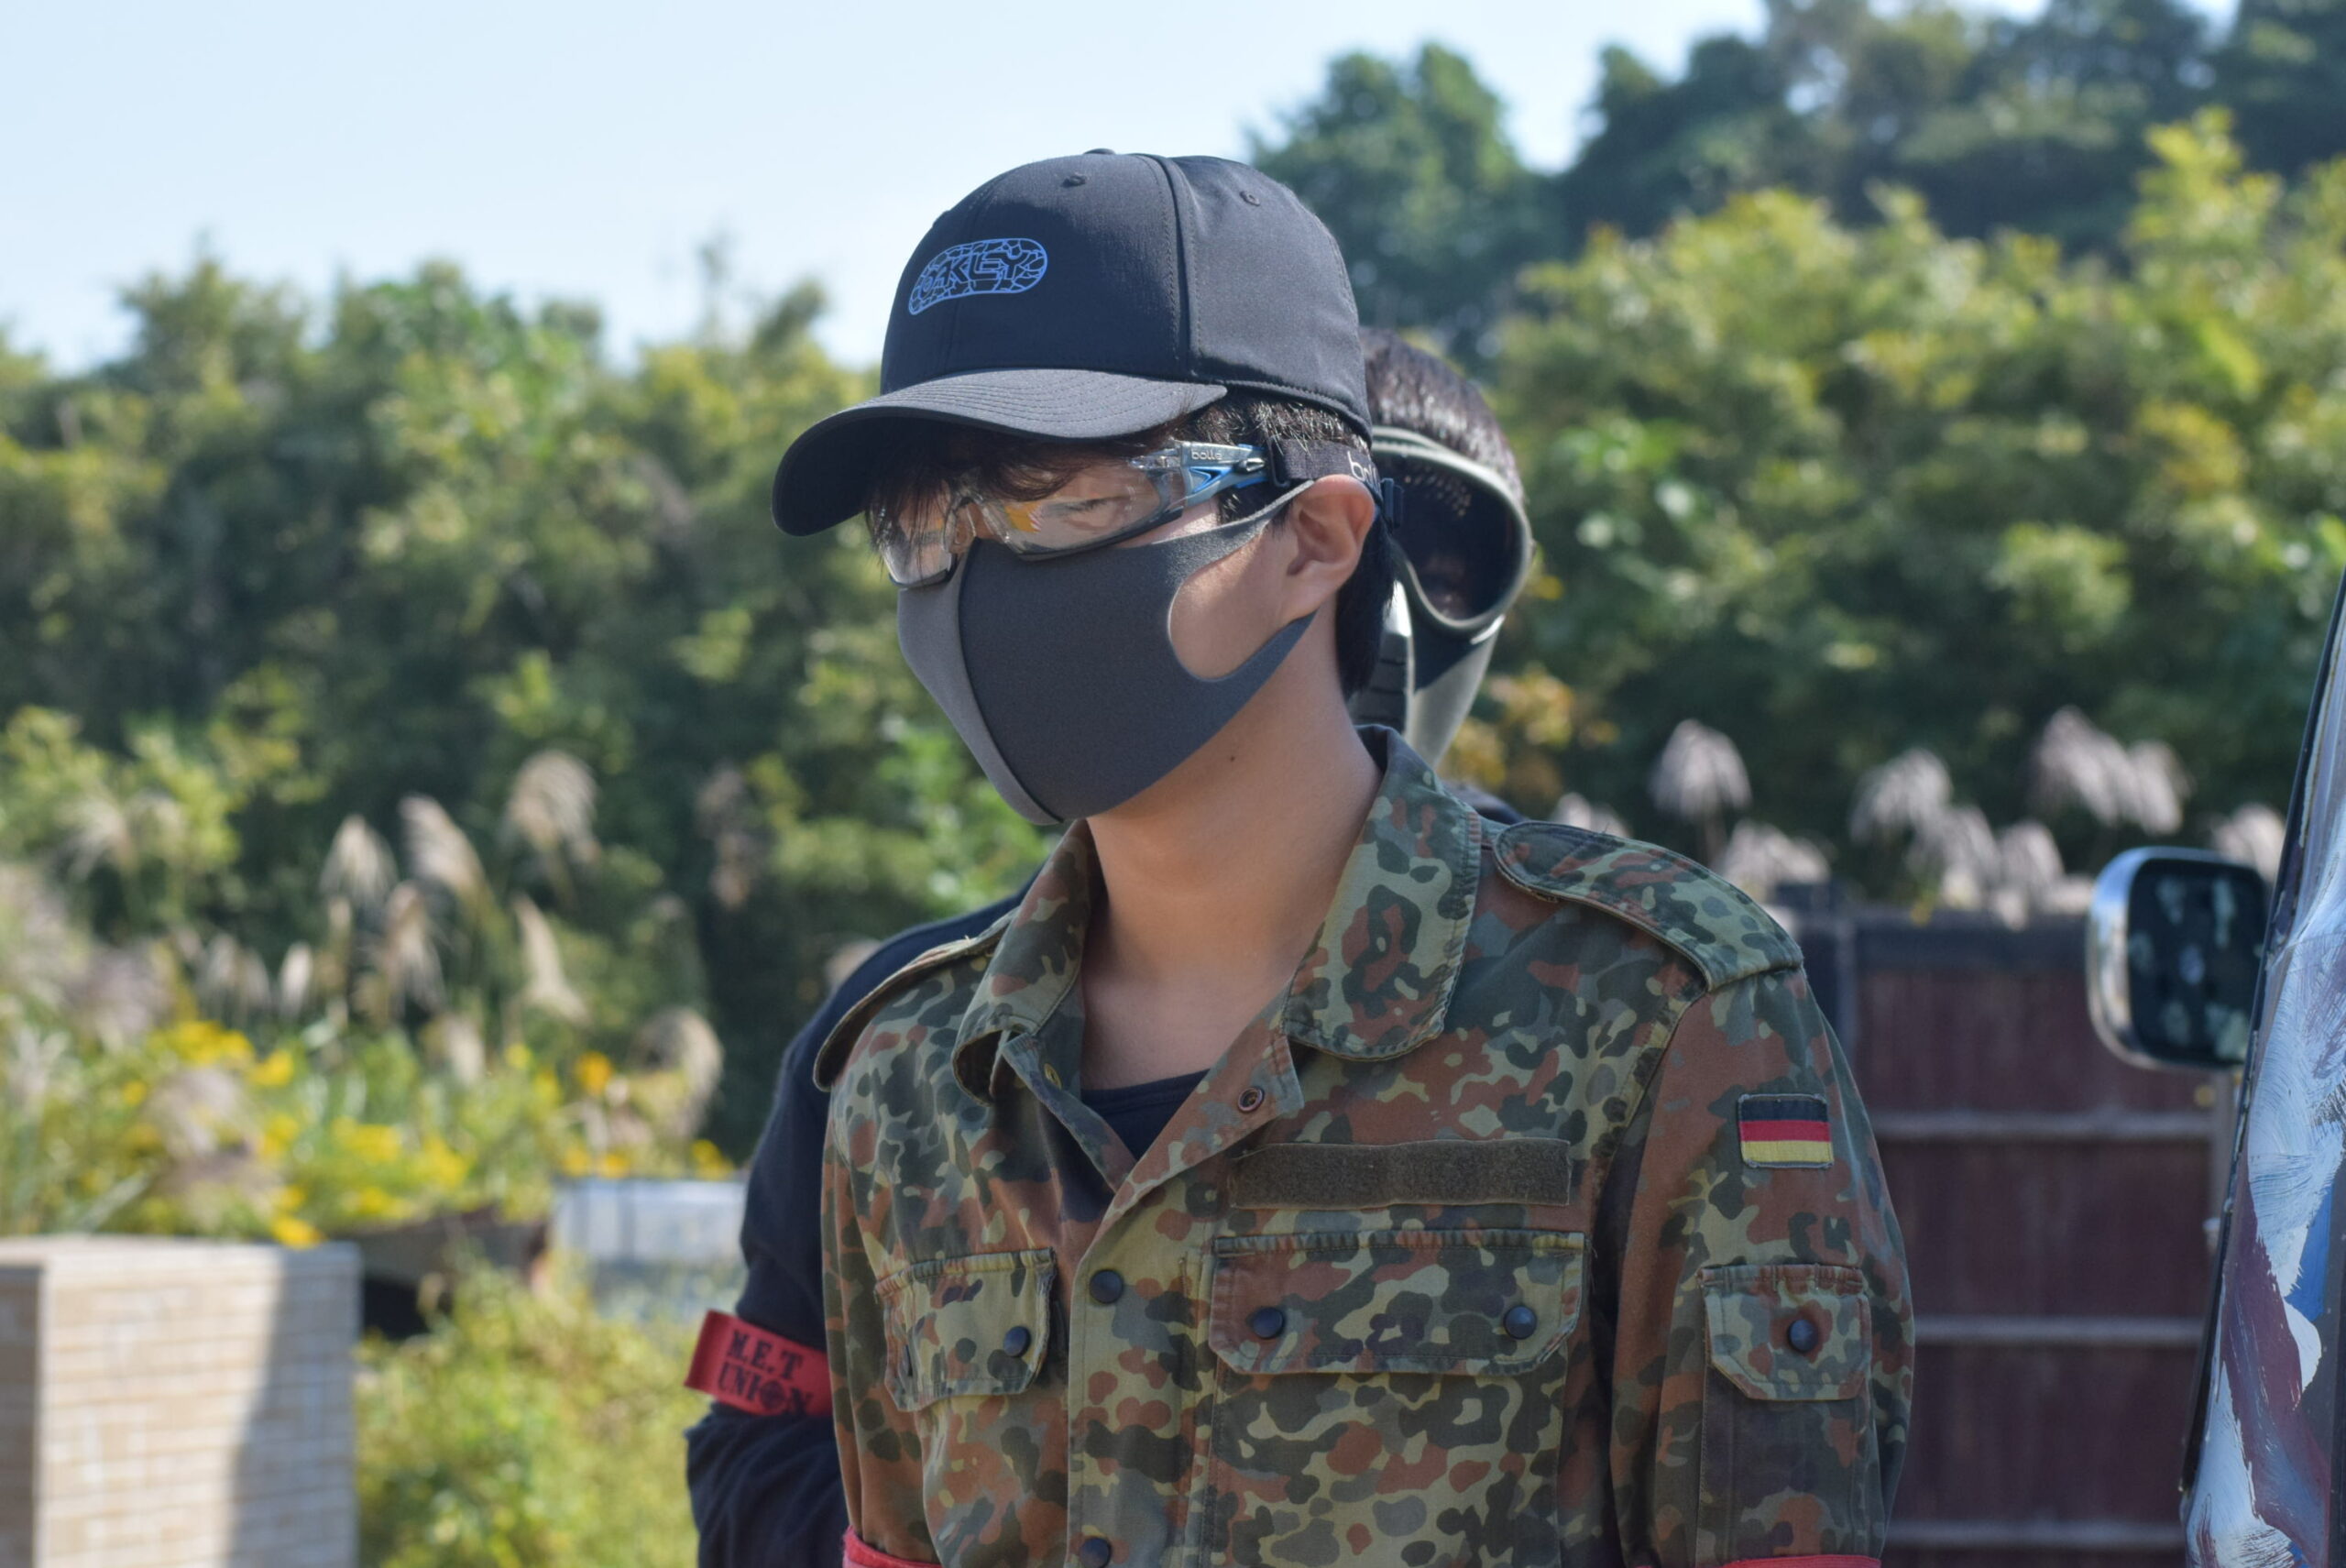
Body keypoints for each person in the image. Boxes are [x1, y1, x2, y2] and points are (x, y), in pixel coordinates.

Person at [759, 151, 1908, 1568]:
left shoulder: (1660, 1022)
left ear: (1313, 536)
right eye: (925, 526)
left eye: (1059, 501)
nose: (975, 575)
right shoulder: (909, 1079)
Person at [684, 323, 1540, 1567]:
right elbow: (759, 1448)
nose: (1380, 600)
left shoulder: (1633, 1009)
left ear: (1321, 539)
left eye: (1448, 555)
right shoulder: (906, 1051)